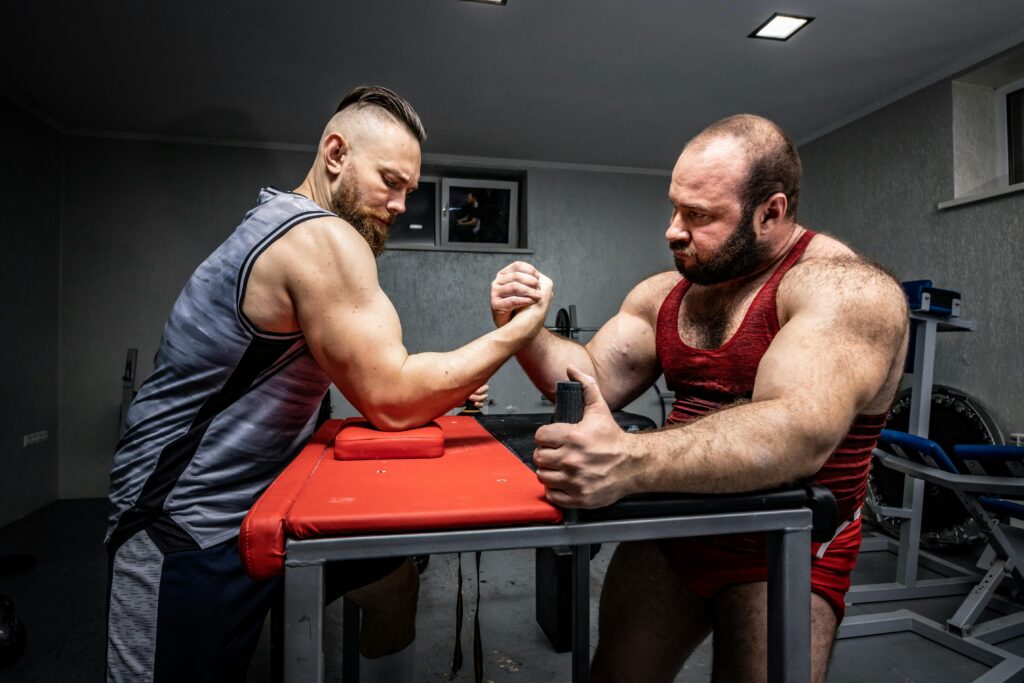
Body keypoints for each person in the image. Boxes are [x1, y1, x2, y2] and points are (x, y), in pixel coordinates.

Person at [105, 85, 551, 683]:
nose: (399, 205)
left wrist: (437, 387)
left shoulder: (289, 225)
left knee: (390, 573)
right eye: (389, 181)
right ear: (335, 154)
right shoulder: (316, 236)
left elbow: (378, 373)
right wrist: (519, 334)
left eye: (409, 191)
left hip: (266, 508)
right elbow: (392, 398)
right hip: (184, 522)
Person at [490, 114, 908, 682]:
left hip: (782, 548)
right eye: (675, 207)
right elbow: (590, 376)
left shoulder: (844, 289)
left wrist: (629, 460)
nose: (673, 230)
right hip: (674, 530)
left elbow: (797, 430)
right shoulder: (667, 294)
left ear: (771, 212)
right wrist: (525, 330)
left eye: (699, 216)